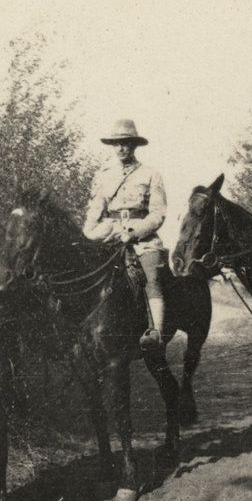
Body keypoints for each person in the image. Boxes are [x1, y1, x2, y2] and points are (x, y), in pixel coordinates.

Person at [83, 119, 168, 351]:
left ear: (134, 145)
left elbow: (158, 214)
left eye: (126, 143)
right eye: (116, 144)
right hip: (108, 231)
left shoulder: (151, 174)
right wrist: (87, 235)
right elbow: (95, 209)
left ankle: (155, 333)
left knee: (151, 276)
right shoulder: (103, 175)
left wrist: (135, 233)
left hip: (141, 238)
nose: (121, 148)